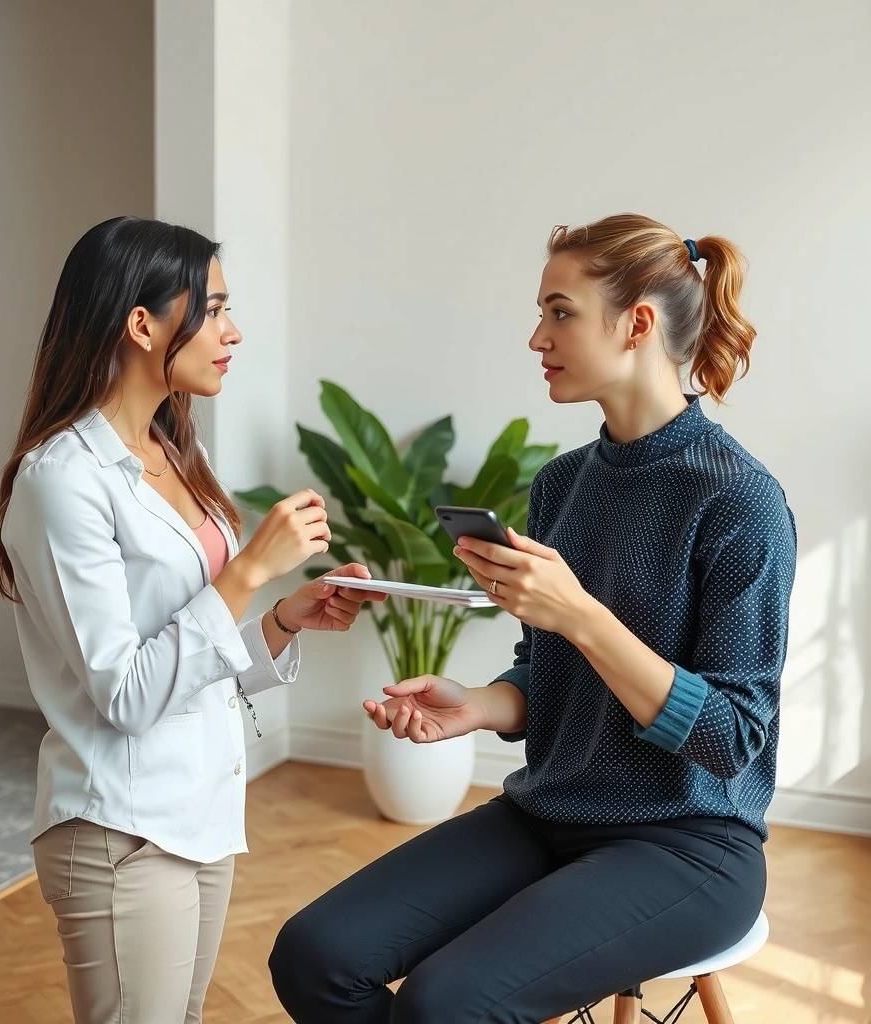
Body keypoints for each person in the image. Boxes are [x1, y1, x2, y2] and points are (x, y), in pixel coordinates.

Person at [268, 213, 797, 1023]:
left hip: (689, 845)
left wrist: (583, 616)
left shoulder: (739, 501)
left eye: (560, 311)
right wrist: (476, 705)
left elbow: (732, 739)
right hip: (549, 810)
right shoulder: (562, 485)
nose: (536, 337)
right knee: (314, 957)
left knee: (445, 1005)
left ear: (637, 324)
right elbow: (550, 681)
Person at [0, 216, 383, 1024]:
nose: (233, 332)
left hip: (201, 813)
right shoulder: (60, 480)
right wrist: (246, 572)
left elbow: (188, 653)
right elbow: (126, 693)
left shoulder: (174, 455)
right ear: (143, 324)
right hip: (119, 831)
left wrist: (280, 619)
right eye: (213, 309)